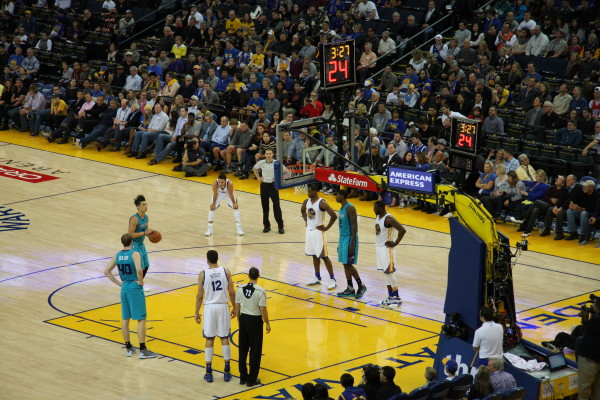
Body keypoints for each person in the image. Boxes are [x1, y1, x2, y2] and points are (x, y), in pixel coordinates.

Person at [103, 233, 158, 359]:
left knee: (125, 319)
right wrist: (141, 281)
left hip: (124, 288)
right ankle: (143, 350)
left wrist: (119, 283)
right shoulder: (135, 254)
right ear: (131, 242)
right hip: (134, 287)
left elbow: (106, 271)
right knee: (141, 319)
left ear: (122, 242)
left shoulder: (117, 255)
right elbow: (139, 270)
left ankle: (128, 348)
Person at [194, 250, 235, 383]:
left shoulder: (203, 274)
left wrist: (196, 312)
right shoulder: (226, 271)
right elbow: (232, 292)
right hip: (223, 306)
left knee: (209, 338)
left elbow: (200, 296)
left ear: (207, 260)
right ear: (217, 259)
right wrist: (234, 307)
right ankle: (227, 371)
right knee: (224, 338)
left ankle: (209, 371)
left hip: (210, 307)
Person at [234, 267, 270, 388]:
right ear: (258, 276)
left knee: (243, 349)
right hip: (255, 321)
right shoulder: (260, 291)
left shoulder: (240, 288)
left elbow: (237, 306)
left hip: (244, 318)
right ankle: (251, 379)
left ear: (248, 275)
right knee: (255, 351)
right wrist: (267, 323)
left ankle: (243, 377)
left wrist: (239, 321)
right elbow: (263, 309)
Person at [301, 183, 338, 289]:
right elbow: (302, 210)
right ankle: (317, 277)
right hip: (309, 231)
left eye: (309, 191)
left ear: (314, 191)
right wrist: (306, 222)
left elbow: (334, 216)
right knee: (314, 255)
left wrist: (326, 228)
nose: (307, 193)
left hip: (318, 233)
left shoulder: (322, 203)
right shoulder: (306, 202)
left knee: (324, 256)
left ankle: (332, 279)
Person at [373, 201, 406, 308]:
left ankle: (397, 298)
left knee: (390, 273)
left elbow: (402, 230)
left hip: (387, 250)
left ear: (381, 208)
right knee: (385, 273)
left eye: (375, 208)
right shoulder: (378, 217)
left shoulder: (388, 219)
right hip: (380, 248)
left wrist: (395, 243)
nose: (374, 210)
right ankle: (390, 297)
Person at [335, 190, 367, 299]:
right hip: (343, 238)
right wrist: (340, 244)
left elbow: (354, 227)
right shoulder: (341, 208)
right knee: (345, 263)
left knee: (348, 263)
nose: (336, 197)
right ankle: (350, 288)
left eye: (337, 195)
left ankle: (361, 285)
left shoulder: (350, 208)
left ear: (343, 196)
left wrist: (352, 243)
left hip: (349, 238)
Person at [253, 148, 286, 234]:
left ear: (273, 154)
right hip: (264, 186)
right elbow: (255, 168)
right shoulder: (262, 162)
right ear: (264, 155)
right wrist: (258, 177)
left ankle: (280, 227)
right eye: (267, 153)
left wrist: (278, 179)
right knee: (265, 207)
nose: (268, 155)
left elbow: (286, 172)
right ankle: (266, 226)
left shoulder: (277, 163)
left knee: (276, 207)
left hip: (273, 186)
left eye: (270, 153)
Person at [577, 297, 600, 400]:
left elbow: (586, 335)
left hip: (590, 359)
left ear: (597, 308)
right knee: (598, 392)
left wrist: (585, 320)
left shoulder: (595, 320)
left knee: (583, 391)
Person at [128, 195, 153, 282]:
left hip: (141, 244)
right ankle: (137, 284)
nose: (145, 206)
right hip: (134, 244)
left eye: (146, 204)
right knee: (139, 267)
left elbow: (145, 231)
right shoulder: (134, 219)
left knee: (146, 265)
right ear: (138, 207)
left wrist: (151, 234)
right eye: (143, 205)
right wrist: (144, 233)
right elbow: (130, 235)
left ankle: (139, 282)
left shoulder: (146, 217)